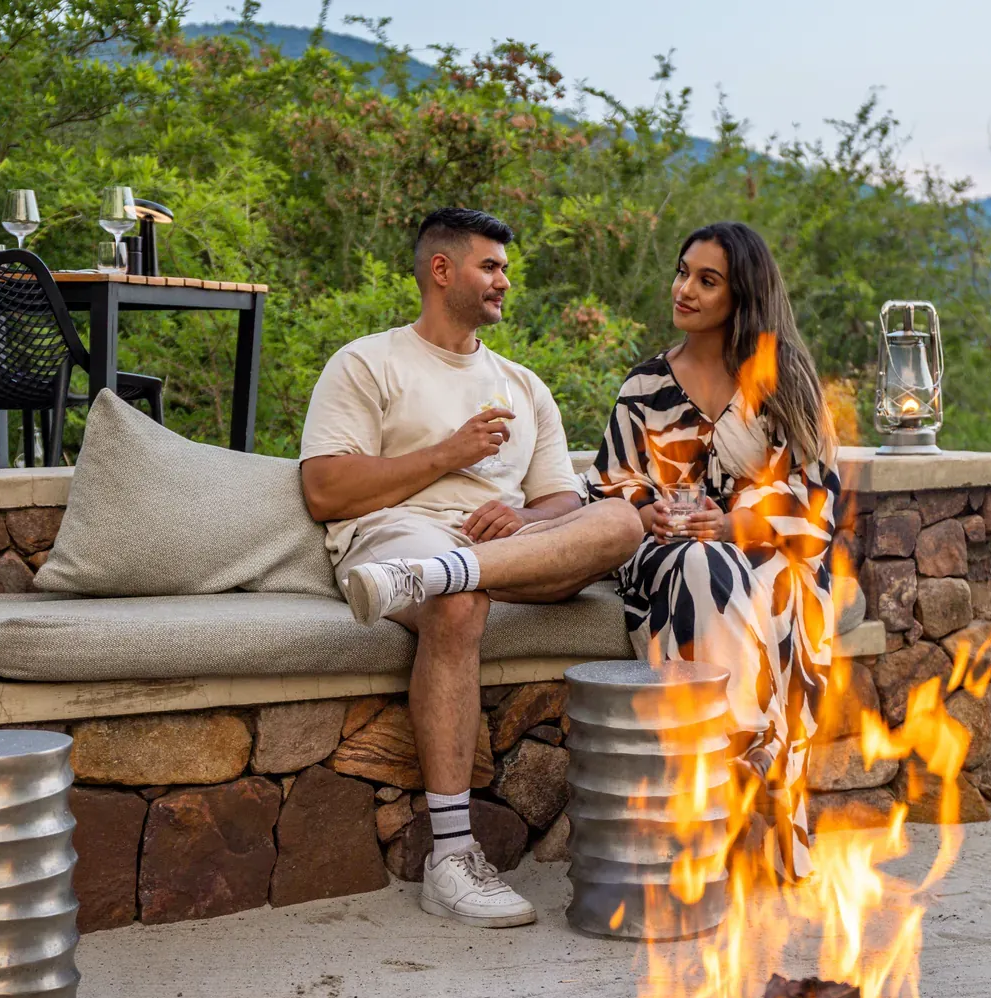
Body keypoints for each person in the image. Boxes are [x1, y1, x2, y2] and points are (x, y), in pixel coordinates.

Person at [299, 207, 643, 928]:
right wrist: (447, 456)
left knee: (619, 519)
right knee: (460, 605)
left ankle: (457, 570)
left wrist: (523, 519)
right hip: (395, 542)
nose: (503, 282)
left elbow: (555, 503)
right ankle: (451, 861)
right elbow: (325, 490)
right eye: (490, 266)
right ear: (441, 269)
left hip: (504, 553)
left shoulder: (522, 384)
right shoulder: (368, 362)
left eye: (506, 270)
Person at [584, 221, 841, 882]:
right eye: (681, 273)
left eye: (707, 279)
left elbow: (818, 509)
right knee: (698, 564)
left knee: (731, 568)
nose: (684, 290)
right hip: (663, 563)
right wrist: (655, 512)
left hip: (768, 558)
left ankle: (715, 778)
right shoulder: (644, 388)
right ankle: (744, 761)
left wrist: (734, 525)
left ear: (743, 295)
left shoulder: (783, 386)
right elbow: (609, 493)